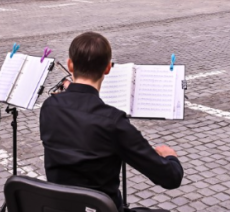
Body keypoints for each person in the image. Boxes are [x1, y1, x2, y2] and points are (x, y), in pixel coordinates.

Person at [40, 32, 184, 212]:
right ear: (108, 68)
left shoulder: (49, 107)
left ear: (70, 65)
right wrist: (170, 157)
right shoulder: (113, 122)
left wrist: (72, 95)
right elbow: (171, 178)